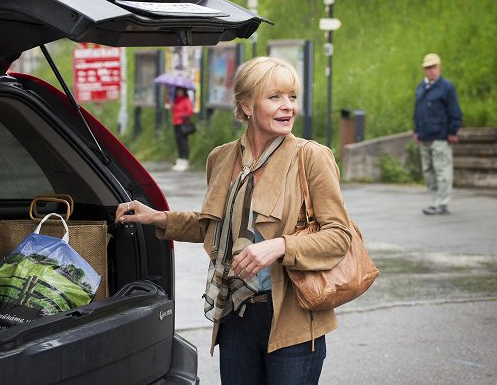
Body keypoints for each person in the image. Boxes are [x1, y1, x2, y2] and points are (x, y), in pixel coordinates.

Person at [116, 57, 351, 384]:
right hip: (235, 313)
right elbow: (211, 226)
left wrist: (279, 247)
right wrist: (157, 217)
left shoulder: (310, 156)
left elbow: (339, 237)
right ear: (247, 106)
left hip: (291, 316)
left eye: (292, 97)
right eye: (275, 97)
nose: (288, 107)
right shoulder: (221, 158)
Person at [413, 53, 463, 215]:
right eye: (428, 68)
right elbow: (417, 111)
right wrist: (416, 131)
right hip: (424, 136)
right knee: (428, 170)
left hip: (441, 136)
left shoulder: (446, 87)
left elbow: (455, 111)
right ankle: (435, 201)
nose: (431, 71)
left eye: (434, 67)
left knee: (442, 170)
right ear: (424, 70)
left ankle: (442, 203)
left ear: (439, 68)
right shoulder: (421, 87)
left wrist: (452, 131)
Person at [171, 86, 195, 171]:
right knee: (178, 142)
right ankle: (180, 159)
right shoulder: (176, 100)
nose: (179, 93)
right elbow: (174, 111)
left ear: (183, 92)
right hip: (176, 123)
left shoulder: (185, 100)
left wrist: (182, 115)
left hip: (182, 124)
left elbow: (190, 110)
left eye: (180, 91)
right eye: (177, 91)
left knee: (183, 142)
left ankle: (185, 160)